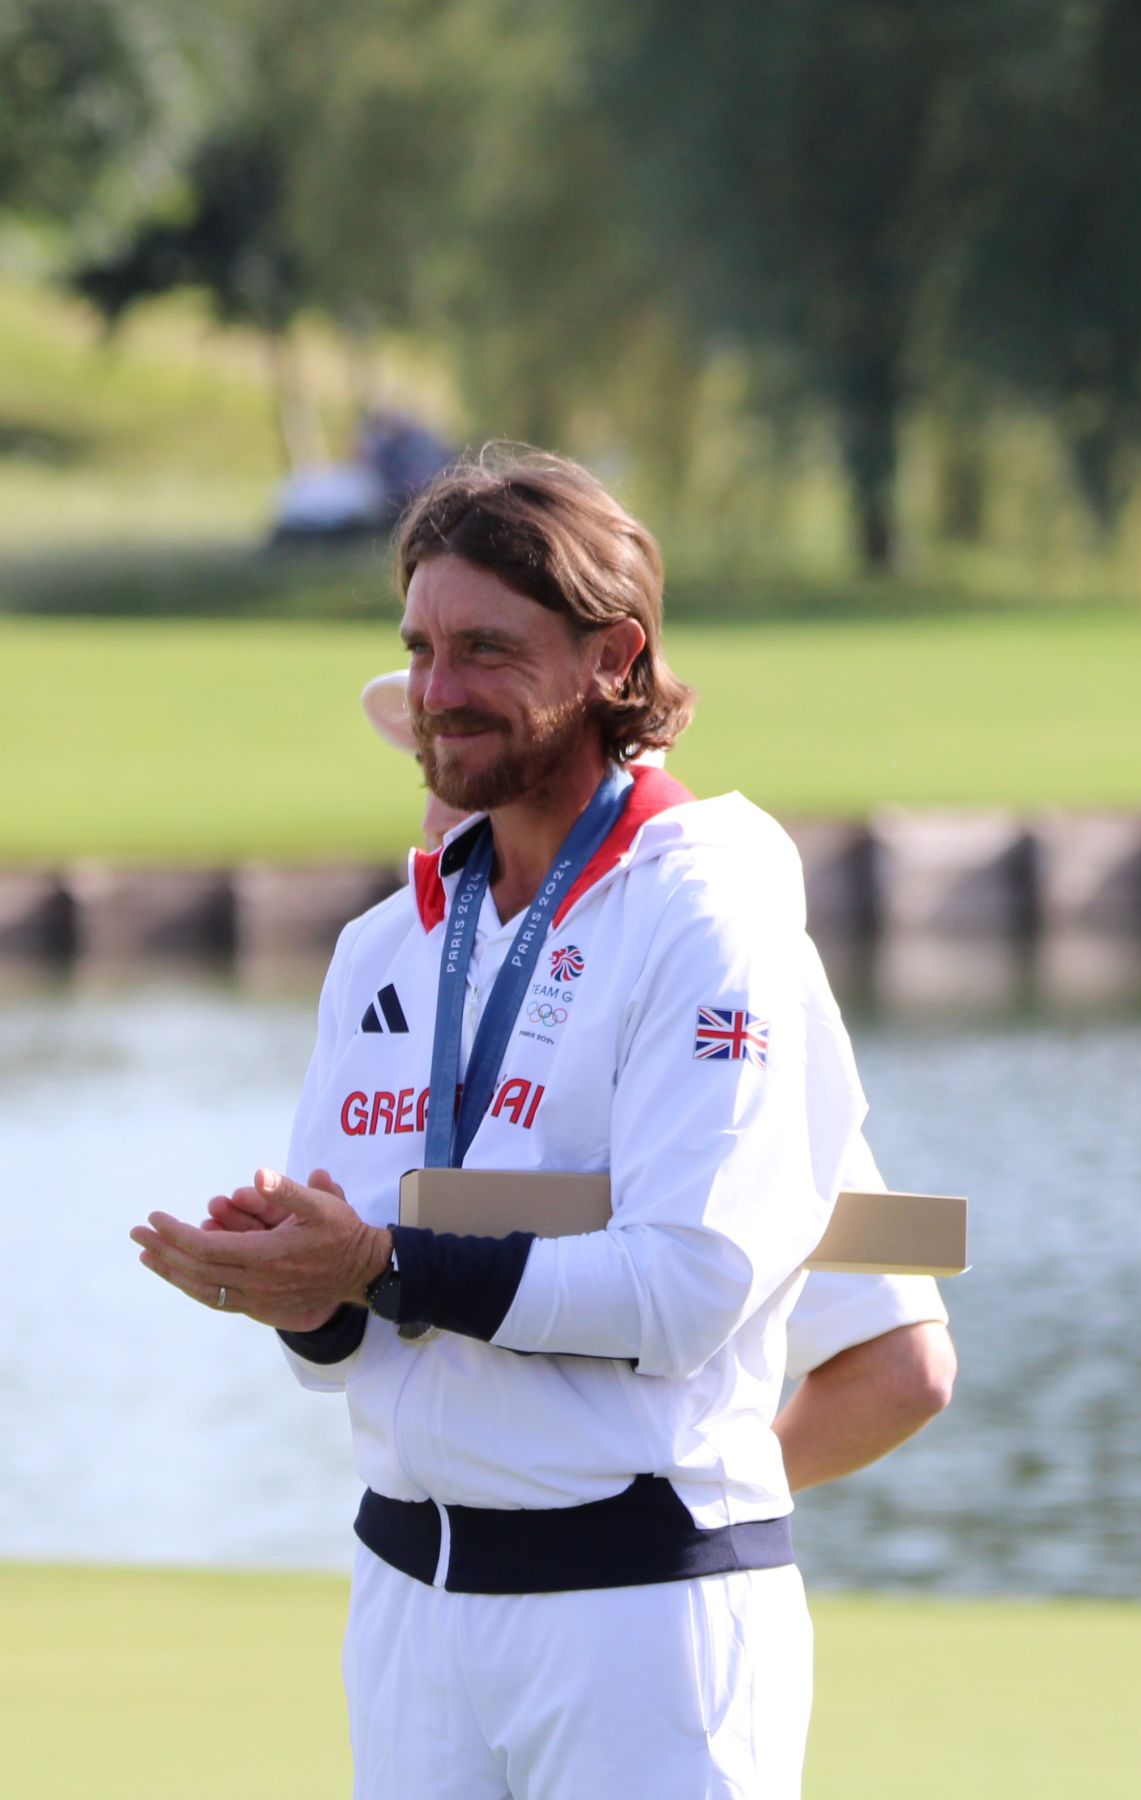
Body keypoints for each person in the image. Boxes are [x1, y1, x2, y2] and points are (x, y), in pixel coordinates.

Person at [130, 449, 862, 1797]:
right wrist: (299, 1293)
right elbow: (356, 1342)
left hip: (636, 1610)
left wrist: (381, 1266)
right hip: (408, 1603)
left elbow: (688, 1287)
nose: (435, 690)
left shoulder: (706, 918)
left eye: (485, 648)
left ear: (612, 658)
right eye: (418, 646)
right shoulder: (384, 949)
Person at [361, 670, 957, 1490]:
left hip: (614, 1593)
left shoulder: (705, 966)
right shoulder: (427, 978)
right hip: (431, 1586)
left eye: (475, 790)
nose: (434, 817)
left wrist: (675, 1510)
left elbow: (901, 1364)